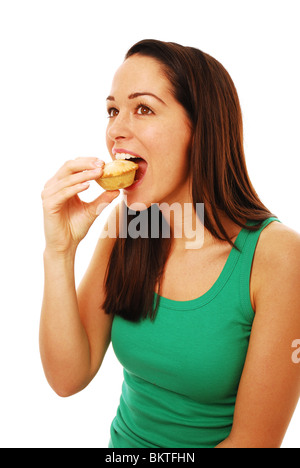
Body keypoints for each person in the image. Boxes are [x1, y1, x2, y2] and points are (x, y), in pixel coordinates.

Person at [40, 39, 300, 448]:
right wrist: (59, 252)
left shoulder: (278, 256)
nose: (115, 131)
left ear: (201, 128)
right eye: (112, 111)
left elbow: (254, 442)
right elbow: (67, 377)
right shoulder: (128, 225)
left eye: (142, 109)